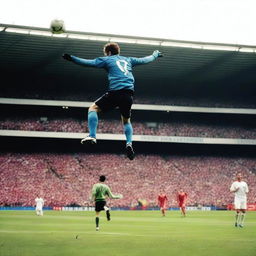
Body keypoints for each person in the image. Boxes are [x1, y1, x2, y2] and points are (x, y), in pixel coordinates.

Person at [63, 43, 162, 160]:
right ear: (118, 52)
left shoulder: (107, 60)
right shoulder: (129, 60)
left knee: (93, 109)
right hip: (128, 94)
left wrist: (72, 58)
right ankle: (129, 143)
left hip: (115, 92)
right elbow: (145, 60)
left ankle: (92, 136)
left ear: (108, 52)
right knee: (126, 121)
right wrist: (155, 55)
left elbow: (88, 63)